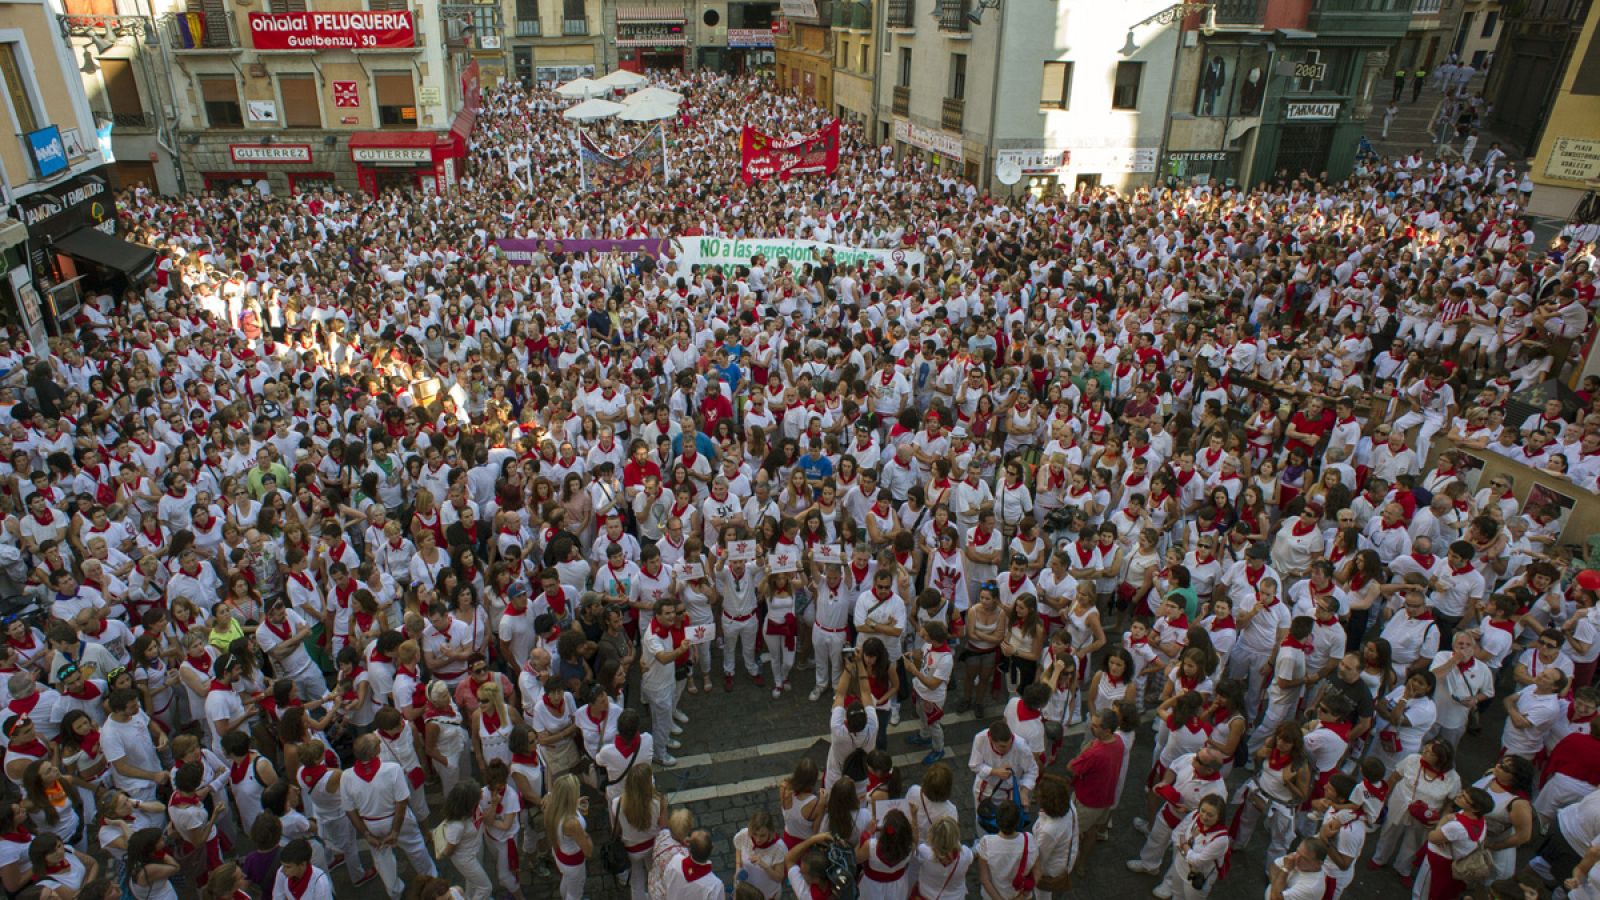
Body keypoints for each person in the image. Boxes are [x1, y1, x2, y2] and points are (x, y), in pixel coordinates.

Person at [439, 782, 490, 900]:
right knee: (485, 887)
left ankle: (468, 897)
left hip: (476, 848)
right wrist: (441, 853)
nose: (481, 795)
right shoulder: (456, 825)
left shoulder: (473, 807)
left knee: (472, 881)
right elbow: (448, 851)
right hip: (465, 859)